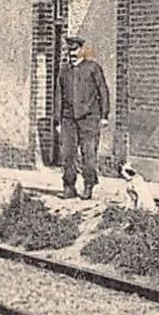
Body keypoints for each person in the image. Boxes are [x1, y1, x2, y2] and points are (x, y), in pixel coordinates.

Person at [53, 36, 109, 199]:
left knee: (88, 153)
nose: (72, 53)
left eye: (75, 50)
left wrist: (104, 115)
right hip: (68, 119)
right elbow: (58, 96)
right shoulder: (64, 71)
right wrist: (58, 120)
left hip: (89, 119)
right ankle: (69, 187)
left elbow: (103, 92)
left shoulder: (93, 68)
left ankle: (88, 186)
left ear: (81, 50)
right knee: (68, 154)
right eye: (69, 50)